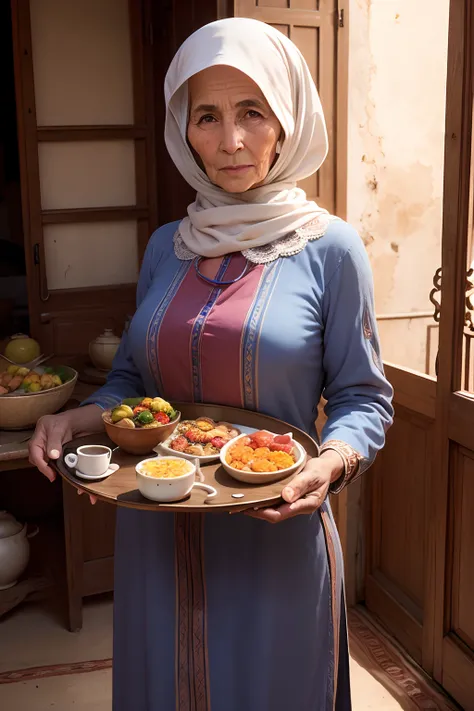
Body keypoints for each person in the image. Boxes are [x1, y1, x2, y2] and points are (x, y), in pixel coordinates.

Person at [29, 18, 393, 711]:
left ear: (286, 122)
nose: (230, 141)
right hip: (156, 534)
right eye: (208, 116)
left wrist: (332, 462)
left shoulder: (331, 250)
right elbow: (137, 385)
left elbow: (363, 397)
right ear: (184, 130)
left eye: (252, 112)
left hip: (273, 538)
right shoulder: (168, 246)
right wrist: (77, 416)